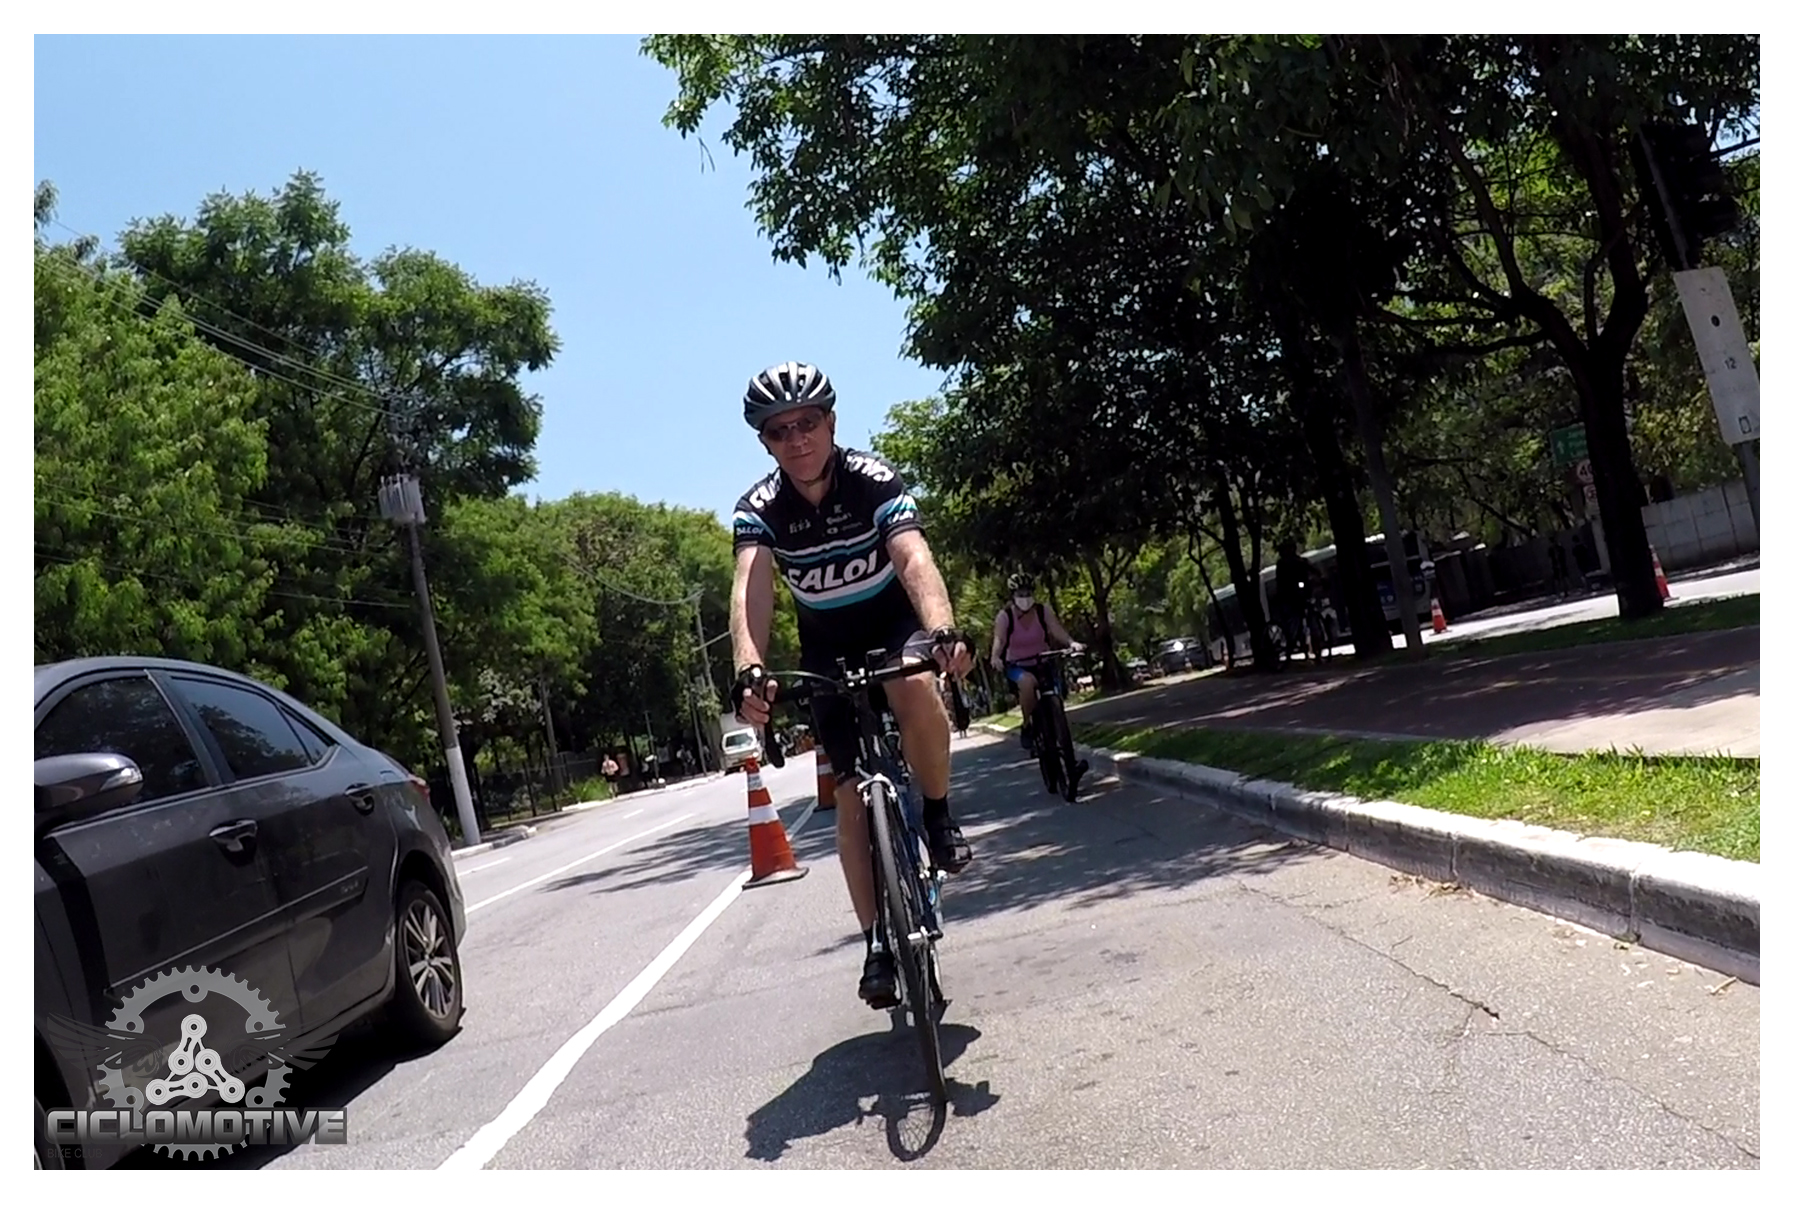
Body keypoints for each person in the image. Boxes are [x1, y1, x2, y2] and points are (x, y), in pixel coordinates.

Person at [725, 361, 975, 1011]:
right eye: (779, 430)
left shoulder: (874, 480)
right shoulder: (758, 509)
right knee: (848, 798)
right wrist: (749, 667)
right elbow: (751, 589)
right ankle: (875, 944)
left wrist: (942, 629)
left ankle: (938, 814)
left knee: (914, 687)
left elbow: (912, 557)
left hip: (893, 627)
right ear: (765, 443)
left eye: (807, 422)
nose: (797, 438)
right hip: (825, 648)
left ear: (831, 422)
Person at [989, 573, 1082, 754]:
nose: (1025, 598)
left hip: (1043, 660)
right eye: (1020, 594)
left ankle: (1063, 742)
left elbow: (1056, 630)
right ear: (1013, 596)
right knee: (1027, 683)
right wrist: (995, 657)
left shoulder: (1042, 611)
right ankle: (1027, 725)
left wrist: (1071, 643)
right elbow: (999, 640)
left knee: (1055, 694)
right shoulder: (1005, 616)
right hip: (1017, 665)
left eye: (1028, 593)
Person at [1273, 539, 1314, 664]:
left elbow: (1311, 568)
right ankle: (1291, 643)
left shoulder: (1301, 561)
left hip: (1301, 594)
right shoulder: (1282, 564)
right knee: (1294, 619)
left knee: (1304, 617)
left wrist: (1320, 577)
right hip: (1288, 597)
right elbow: (1280, 582)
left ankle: (1307, 646)